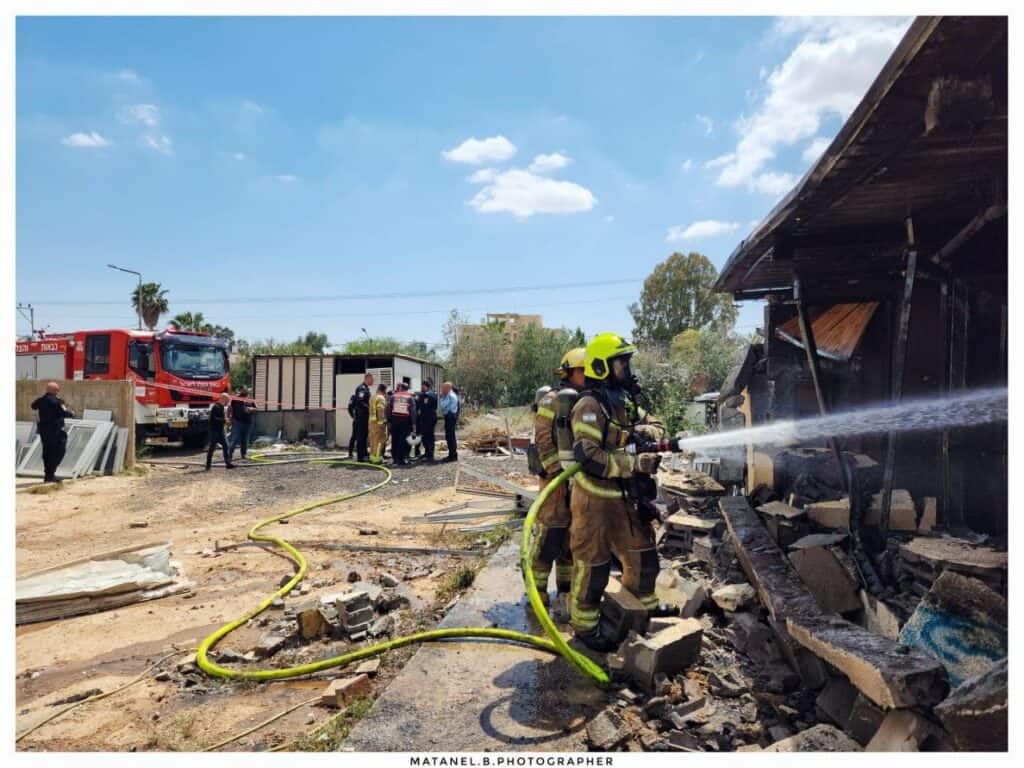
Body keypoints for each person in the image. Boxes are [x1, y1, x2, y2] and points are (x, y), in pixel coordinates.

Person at [568, 333, 666, 651]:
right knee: (593, 568)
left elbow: (657, 424)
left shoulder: (624, 400)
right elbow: (589, 456)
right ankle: (586, 627)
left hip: (625, 498)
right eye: (621, 361)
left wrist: (648, 432)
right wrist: (635, 463)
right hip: (594, 500)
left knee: (645, 558)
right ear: (602, 366)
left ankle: (643, 612)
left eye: (627, 360)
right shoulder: (589, 406)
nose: (627, 366)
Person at [526, 348, 587, 619]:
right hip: (556, 481)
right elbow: (543, 438)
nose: (588, 376)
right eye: (583, 371)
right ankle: (536, 592)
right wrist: (556, 474)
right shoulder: (551, 401)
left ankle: (564, 589)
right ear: (569, 372)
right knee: (550, 535)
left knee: (569, 541)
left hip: (578, 481)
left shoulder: (585, 399)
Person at [30, 381, 75, 482]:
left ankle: (48, 476)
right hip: (55, 431)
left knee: (47, 452)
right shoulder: (57, 401)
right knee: (59, 451)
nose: (58, 391)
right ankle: (51, 473)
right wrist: (72, 413)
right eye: (57, 389)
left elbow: (33, 406)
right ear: (54, 391)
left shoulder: (41, 400)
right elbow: (64, 412)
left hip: (44, 431)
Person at [387, 381, 417, 466]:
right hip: (405, 421)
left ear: (400, 388)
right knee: (403, 440)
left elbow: (389, 409)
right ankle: (402, 458)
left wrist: (389, 420)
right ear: (407, 389)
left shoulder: (394, 396)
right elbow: (413, 411)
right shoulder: (410, 397)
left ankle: (395, 458)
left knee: (395, 439)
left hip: (395, 420)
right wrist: (413, 423)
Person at [206, 392, 236, 470]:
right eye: (227, 400)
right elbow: (213, 419)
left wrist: (225, 421)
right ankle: (208, 465)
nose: (228, 402)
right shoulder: (215, 407)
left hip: (220, 430)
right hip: (214, 430)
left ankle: (228, 463)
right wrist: (224, 420)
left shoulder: (221, 407)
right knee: (212, 447)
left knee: (226, 446)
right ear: (224, 399)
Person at [228, 386, 257, 461]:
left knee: (245, 440)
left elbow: (256, 408)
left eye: (246, 390)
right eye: (243, 390)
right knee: (234, 439)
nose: (245, 391)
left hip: (248, 422)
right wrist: (229, 417)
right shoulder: (236, 399)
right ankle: (229, 455)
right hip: (237, 421)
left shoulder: (250, 399)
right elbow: (230, 408)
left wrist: (251, 409)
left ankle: (243, 454)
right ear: (241, 391)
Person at [414, 378, 439, 462]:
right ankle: (427, 452)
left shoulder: (431, 394)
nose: (421, 388)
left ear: (426, 386)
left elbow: (429, 397)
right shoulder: (423, 395)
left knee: (430, 436)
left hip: (430, 418)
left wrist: (421, 395)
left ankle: (430, 454)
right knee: (425, 436)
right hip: (424, 419)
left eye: (422, 386)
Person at [352, 373, 374, 463]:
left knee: (364, 436)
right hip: (361, 416)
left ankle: (365, 454)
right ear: (367, 378)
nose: (372, 381)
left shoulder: (366, 388)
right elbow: (360, 402)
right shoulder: (362, 388)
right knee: (361, 436)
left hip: (365, 416)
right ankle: (360, 457)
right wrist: (369, 408)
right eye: (372, 380)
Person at [439, 381, 459, 463]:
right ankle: (453, 455)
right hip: (451, 416)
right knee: (451, 436)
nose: (442, 389)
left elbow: (443, 405)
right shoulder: (452, 395)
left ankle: (452, 456)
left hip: (450, 416)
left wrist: (441, 397)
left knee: (450, 436)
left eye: (444, 388)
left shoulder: (449, 395)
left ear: (448, 388)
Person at [368, 383, 389, 464]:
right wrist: (382, 422)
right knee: (380, 441)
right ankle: (377, 458)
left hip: (371, 423)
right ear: (384, 390)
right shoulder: (381, 398)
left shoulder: (372, 397)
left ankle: (372, 457)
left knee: (373, 441)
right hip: (379, 424)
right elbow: (380, 411)